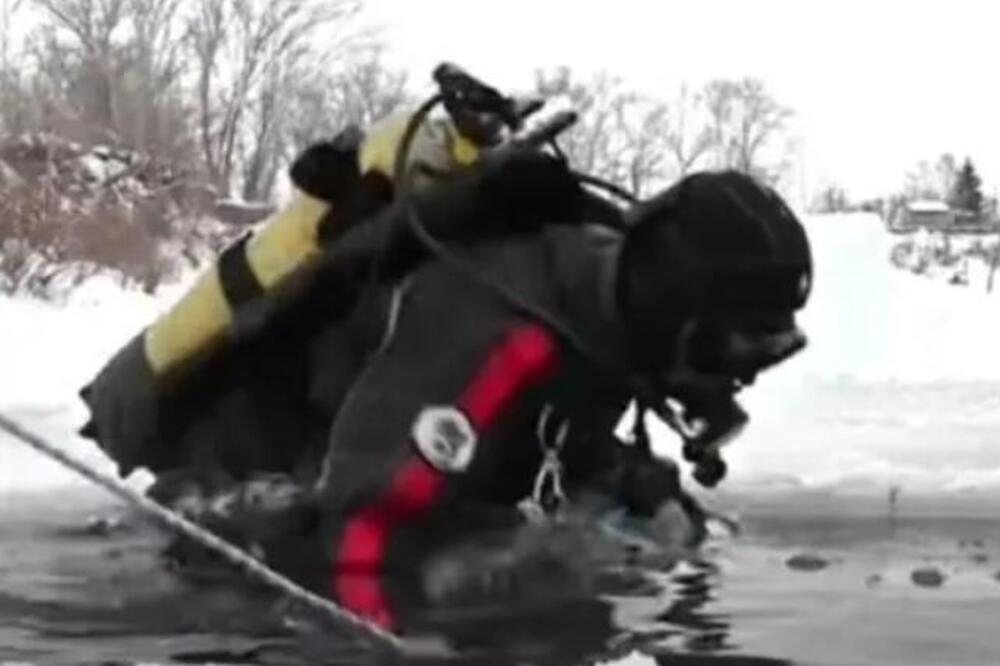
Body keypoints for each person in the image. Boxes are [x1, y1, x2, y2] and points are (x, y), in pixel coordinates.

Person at [81, 122, 811, 632]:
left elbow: (553, 435)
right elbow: (358, 534)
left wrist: (635, 484)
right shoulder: (501, 340)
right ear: (671, 305)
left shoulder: (604, 301)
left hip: (377, 462)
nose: (739, 381)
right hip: (250, 479)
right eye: (733, 351)